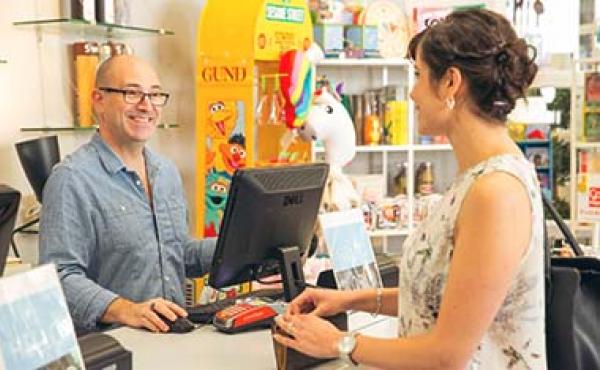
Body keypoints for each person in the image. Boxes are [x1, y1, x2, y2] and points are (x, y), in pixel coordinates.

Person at [274, 9, 546, 369]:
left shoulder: (496, 193)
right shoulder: (476, 179)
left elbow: (446, 355)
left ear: (451, 82)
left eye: (418, 75)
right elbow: (448, 302)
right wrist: (350, 300)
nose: (414, 92)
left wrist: (339, 343)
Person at [39, 55, 216, 334]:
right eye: (132, 93)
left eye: (155, 94)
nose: (146, 106)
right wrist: (127, 310)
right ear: (99, 100)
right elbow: (59, 277)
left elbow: (176, 254)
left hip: (175, 341)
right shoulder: (71, 179)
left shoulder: (166, 172)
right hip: (115, 350)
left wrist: (245, 246)